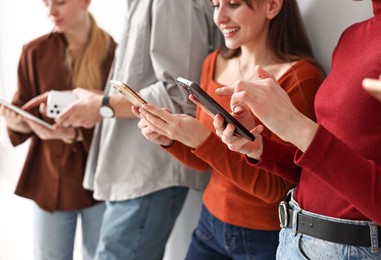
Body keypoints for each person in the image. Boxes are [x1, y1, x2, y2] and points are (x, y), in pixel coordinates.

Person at [24, 0, 222, 259]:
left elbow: (180, 95)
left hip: (150, 172)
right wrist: (95, 101)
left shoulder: (172, 3)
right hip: (133, 171)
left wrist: (102, 105)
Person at [133, 0, 322, 258]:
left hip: (265, 238)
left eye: (233, 4)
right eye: (215, 5)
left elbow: (276, 190)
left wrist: (202, 141)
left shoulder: (300, 78)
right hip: (209, 226)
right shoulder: (213, 63)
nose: (219, 17)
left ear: (272, 6)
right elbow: (208, 162)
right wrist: (170, 139)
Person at [213, 0, 381, 259]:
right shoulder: (352, 36)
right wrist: (262, 148)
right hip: (292, 237)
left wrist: (294, 124)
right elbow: (325, 172)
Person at [0, 0, 116, 259]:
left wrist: (73, 133)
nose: (51, 11)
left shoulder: (114, 54)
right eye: (46, 3)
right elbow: (23, 113)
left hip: (98, 178)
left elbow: (119, 121)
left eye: (60, 2)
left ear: (86, 2)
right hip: (49, 179)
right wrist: (14, 120)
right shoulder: (34, 52)